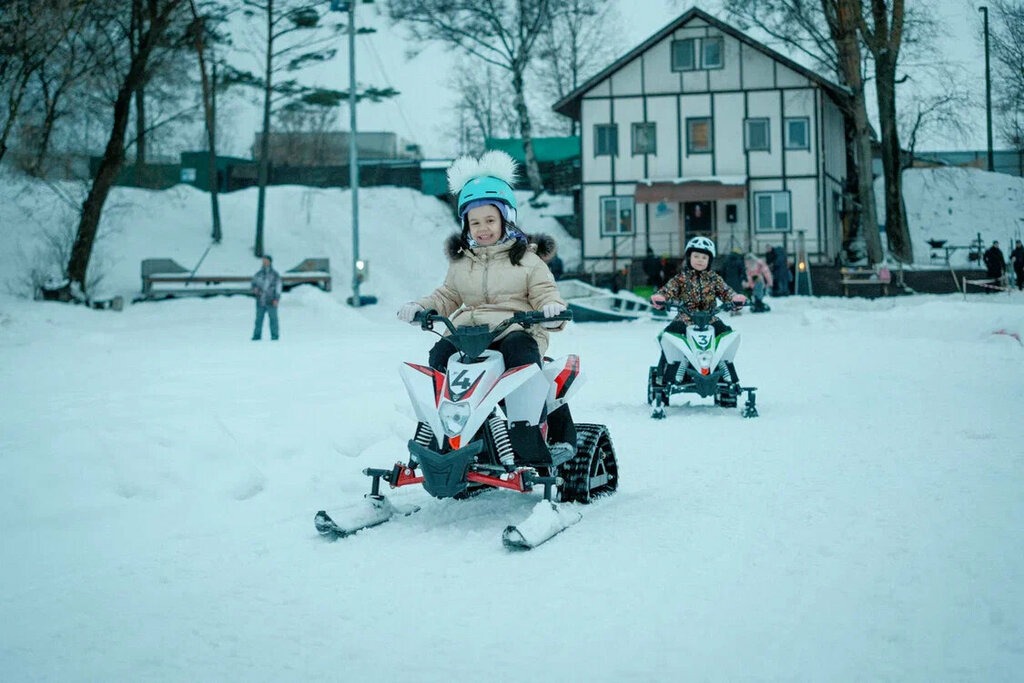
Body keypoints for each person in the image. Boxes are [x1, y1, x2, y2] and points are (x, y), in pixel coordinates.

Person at [396, 150, 575, 460]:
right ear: (466, 225)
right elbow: (447, 295)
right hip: (470, 333)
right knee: (440, 353)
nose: (483, 227)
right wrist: (420, 306)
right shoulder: (462, 263)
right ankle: (440, 430)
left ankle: (526, 427)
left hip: (515, 329)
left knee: (520, 351)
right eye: (474, 221)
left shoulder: (529, 260)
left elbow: (546, 292)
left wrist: (550, 311)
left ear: (506, 218)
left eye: (490, 219)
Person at [649, 236, 747, 382]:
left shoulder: (714, 278)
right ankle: (663, 374)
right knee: (668, 336)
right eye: (696, 256)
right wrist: (661, 297)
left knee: (726, 336)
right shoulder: (681, 278)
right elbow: (669, 289)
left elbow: (726, 291)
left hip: (710, 317)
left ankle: (724, 370)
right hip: (686, 317)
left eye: (703, 257)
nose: (700, 260)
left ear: (709, 260)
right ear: (689, 258)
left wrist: (734, 298)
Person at [251, 255, 282, 340]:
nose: (264, 262)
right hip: (260, 300)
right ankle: (256, 336)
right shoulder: (258, 274)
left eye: (266, 261)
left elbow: (278, 287)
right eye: (263, 261)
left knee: (273, 320)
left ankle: (275, 336)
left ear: (270, 262)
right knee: (258, 320)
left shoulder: (275, 275)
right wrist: (255, 290)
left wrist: (276, 298)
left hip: (271, 300)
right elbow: (253, 284)